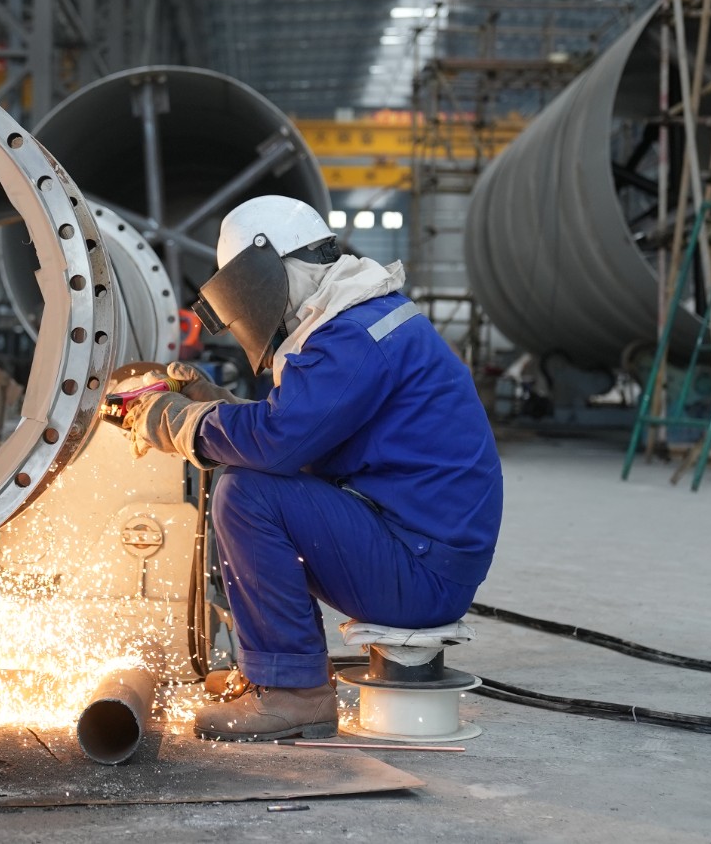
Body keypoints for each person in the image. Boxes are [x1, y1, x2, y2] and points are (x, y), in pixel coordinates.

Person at [124, 195, 503, 742]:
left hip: (422, 572)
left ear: (263, 272)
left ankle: (295, 694)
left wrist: (186, 423)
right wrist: (223, 408)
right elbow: (306, 431)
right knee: (255, 477)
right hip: (423, 551)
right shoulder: (360, 319)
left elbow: (280, 444)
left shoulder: (353, 336)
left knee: (246, 493)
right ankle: (273, 674)